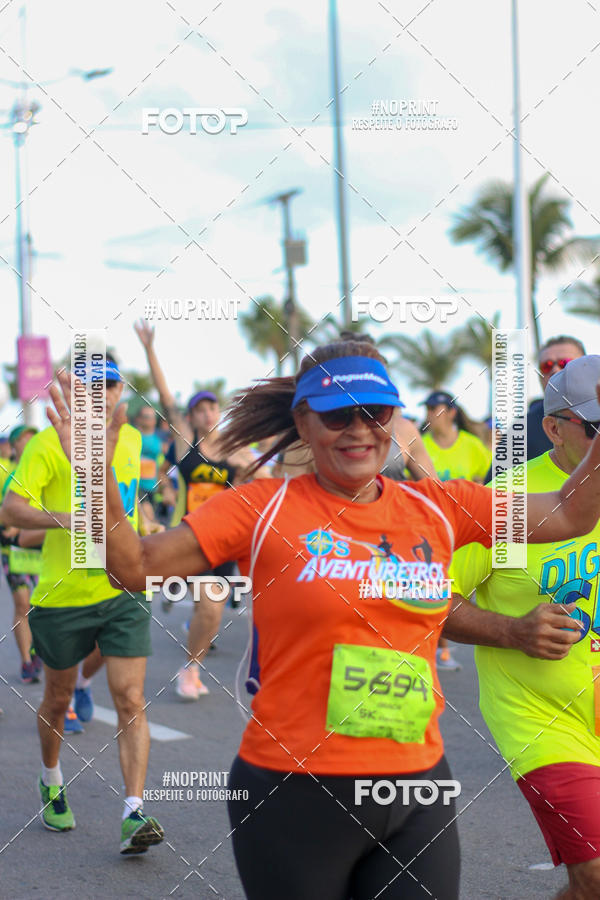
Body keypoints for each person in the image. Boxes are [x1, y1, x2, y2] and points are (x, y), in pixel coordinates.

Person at [48, 341, 600, 900]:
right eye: (338, 415)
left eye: (376, 412)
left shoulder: (439, 507)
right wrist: (92, 471)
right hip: (294, 792)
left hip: (416, 789)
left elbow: (574, 511)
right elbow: (134, 568)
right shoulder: (260, 509)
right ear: (303, 422)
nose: (359, 430)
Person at [446, 355, 600, 900]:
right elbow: (431, 601)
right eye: (597, 426)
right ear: (553, 427)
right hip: (543, 720)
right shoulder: (509, 500)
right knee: (596, 877)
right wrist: (514, 631)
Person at [0, 354, 164, 854]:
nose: (106, 395)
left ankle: (134, 812)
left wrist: (149, 524)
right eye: (94, 388)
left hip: (124, 588)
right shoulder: (49, 444)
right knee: (57, 696)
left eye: (112, 386)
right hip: (61, 596)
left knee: (131, 697)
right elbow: (12, 509)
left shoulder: (133, 441)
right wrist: (67, 517)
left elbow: (137, 498)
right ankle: (51, 777)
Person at [134, 319, 266, 700]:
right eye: (200, 409)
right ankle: (190, 670)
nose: (207, 414)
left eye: (212, 408)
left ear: (218, 414)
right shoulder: (183, 443)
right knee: (209, 605)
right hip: (191, 536)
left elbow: (266, 477)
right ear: (190, 418)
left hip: (229, 539)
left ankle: (202, 646)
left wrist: (248, 475)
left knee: (220, 610)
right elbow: (166, 399)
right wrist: (149, 350)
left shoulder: (238, 450)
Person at [420, 390, 492, 669]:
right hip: (431, 530)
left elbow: (482, 486)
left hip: (466, 533)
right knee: (435, 587)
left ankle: (441, 647)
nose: (429, 414)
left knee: (454, 593)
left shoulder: (472, 445)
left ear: (451, 412)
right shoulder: (420, 444)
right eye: (427, 409)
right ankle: (439, 651)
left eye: (435, 408)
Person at [484, 335, 587, 483]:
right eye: (547, 366)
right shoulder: (521, 430)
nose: (555, 369)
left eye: (565, 363)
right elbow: (492, 494)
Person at [0, 425, 44, 683]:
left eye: (33, 440)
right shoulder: (6, 473)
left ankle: (38, 649)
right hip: (13, 551)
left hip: (43, 550)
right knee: (22, 605)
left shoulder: (44, 472)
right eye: (23, 440)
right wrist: (11, 522)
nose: (29, 444)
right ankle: (27, 660)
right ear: (14, 446)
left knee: (42, 605)